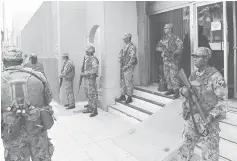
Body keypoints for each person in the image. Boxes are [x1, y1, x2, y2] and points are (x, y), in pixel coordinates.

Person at [1, 49, 54, 161]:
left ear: (4, 61)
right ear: (21, 61)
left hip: (12, 134)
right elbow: (49, 98)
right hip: (37, 130)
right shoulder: (38, 76)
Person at [178, 47, 227, 161]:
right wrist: (183, 92)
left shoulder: (216, 77)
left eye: (198, 57)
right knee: (184, 149)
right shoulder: (194, 75)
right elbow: (186, 93)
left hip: (208, 120)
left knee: (210, 154)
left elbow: (223, 102)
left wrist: (211, 116)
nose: (194, 59)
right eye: (194, 56)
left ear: (206, 59)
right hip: (193, 118)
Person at [156, 23, 183, 98]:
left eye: (166, 28)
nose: (164, 29)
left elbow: (180, 47)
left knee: (173, 75)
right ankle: (170, 89)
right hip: (166, 60)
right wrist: (164, 50)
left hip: (173, 60)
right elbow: (157, 47)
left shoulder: (175, 38)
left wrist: (173, 53)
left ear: (170, 29)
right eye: (164, 28)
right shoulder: (163, 38)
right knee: (167, 75)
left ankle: (177, 91)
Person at [115, 33, 138, 104]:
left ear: (128, 38)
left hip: (128, 67)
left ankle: (129, 97)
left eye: (125, 38)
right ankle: (123, 95)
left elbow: (132, 58)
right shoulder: (125, 46)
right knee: (123, 82)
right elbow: (123, 56)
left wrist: (127, 66)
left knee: (128, 82)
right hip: (123, 66)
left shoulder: (132, 47)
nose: (123, 39)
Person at [81, 45, 99, 117]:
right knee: (88, 93)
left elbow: (95, 70)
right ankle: (90, 107)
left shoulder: (94, 59)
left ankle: (95, 109)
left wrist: (85, 73)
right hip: (87, 78)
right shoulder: (87, 59)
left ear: (90, 51)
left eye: (87, 51)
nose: (86, 52)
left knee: (92, 94)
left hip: (91, 79)